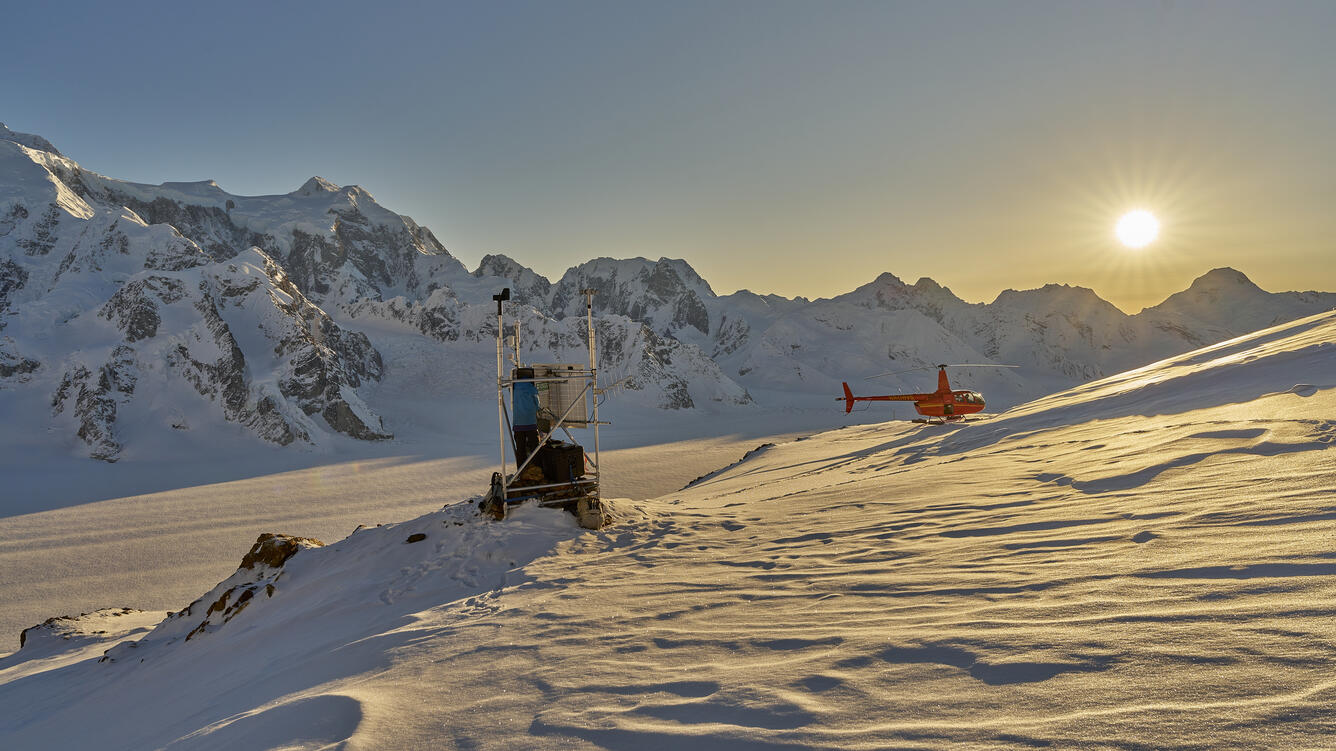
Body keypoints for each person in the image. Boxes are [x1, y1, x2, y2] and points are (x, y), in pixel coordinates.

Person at [512, 367, 541, 468]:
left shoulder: (514, 388)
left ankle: (521, 471)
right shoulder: (532, 388)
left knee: (520, 449)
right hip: (531, 423)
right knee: (534, 448)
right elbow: (537, 405)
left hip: (518, 424)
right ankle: (537, 469)